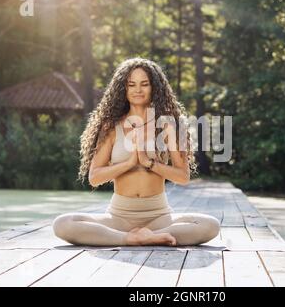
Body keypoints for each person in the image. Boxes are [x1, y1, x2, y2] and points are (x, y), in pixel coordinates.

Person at [52, 57, 220, 246]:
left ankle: (147, 235)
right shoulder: (111, 126)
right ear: (123, 88)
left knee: (210, 225)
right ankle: (130, 238)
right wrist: (129, 163)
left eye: (144, 84)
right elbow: (94, 177)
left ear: (154, 88)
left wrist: (150, 163)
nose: (138, 90)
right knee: (63, 224)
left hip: (159, 217)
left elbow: (183, 176)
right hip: (119, 217)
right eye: (131, 84)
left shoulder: (168, 125)